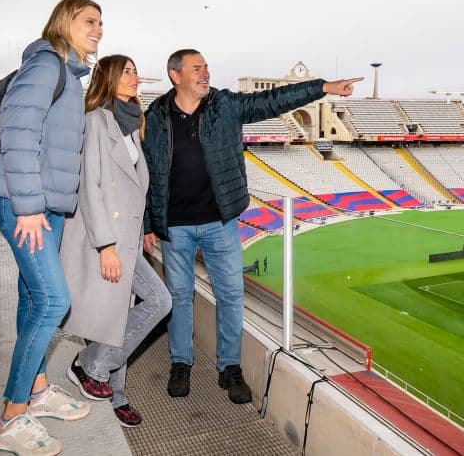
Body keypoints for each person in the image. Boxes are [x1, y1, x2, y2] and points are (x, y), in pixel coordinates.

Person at [141, 48, 361, 404]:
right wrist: (150, 222)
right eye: (197, 68)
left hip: (219, 223)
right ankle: (181, 362)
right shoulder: (155, 116)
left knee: (231, 296)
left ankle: (230, 367)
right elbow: (148, 174)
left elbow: (272, 100)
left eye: (207, 66)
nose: (206, 73)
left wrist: (323, 87)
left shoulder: (225, 105)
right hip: (175, 227)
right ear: (175, 75)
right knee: (179, 298)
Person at [0, 0, 102, 456]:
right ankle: (11, 417)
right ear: (64, 21)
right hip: (23, 203)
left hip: (41, 204)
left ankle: (35, 389)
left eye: (101, 23)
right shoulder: (46, 66)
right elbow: (17, 133)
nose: (98, 29)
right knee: (54, 300)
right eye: (90, 21)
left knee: (33, 295)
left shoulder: (65, 74)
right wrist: (30, 207)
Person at [60, 55, 171, 428]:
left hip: (128, 238)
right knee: (136, 309)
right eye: (127, 71)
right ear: (108, 77)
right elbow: (90, 185)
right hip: (105, 239)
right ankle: (100, 375)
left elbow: (136, 188)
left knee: (147, 306)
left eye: (136, 70)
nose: (135, 77)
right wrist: (106, 245)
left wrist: (139, 232)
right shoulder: (96, 121)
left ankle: (93, 367)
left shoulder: (131, 126)